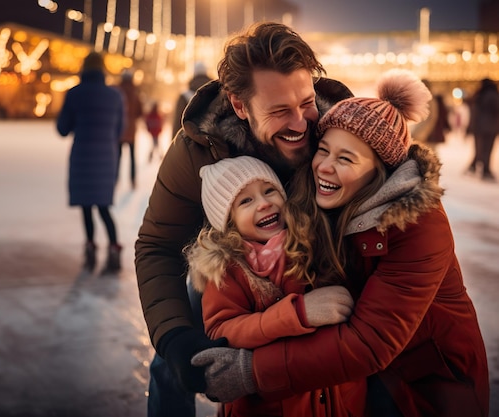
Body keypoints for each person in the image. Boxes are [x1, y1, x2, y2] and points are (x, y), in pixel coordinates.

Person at [194, 69, 489, 417]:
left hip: (424, 390)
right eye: (323, 150)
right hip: (359, 383)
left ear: (379, 170)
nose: (325, 167)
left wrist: (252, 371)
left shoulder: (419, 225)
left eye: (346, 158)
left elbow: (368, 343)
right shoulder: (318, 204)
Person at [135, 22, 354, 417]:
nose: (302, 123)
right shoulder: (196, 152)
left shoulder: (340, 133)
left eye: (306, 102)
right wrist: (175, 337)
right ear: (240, 105)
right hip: (233, 267)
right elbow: (158, 245)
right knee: (172, 356)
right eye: (279, 111)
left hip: (313, 263)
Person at [186, 155, 365, 417]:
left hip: (333, 400)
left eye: (269, 190)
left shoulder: (310, 240)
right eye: (246, 201)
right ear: (229, 223)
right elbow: (221, 330)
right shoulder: (227, 269)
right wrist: (297, 313)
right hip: (269, 405)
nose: (264, 203)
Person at [56, 51, 124, 273]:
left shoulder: (75, 94)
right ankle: (114, 248)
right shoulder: (115, 96)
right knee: (104, 207)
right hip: (106, 157)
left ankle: (90, 248)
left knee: (86, 207)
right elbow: (120, 129)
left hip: (83, 156)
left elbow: (63, 128)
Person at [465, 77, 499, 182]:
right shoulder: (493, 95)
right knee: (487, 150)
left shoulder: (479, 94)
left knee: (479, 148)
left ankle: (474, 166)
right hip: (490, 128)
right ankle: (485, 170)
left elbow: (473, 110)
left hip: (479, 127)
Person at [117, 70, 144, 189]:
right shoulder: (135, 93)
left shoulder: (118, 91)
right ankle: (133, 180)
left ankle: (115, 179)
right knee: (132, 157)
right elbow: (140, 112)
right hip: (132, 130)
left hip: (119, 129)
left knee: (117, 157)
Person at [172, 61, 213, 138]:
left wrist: (173, 143)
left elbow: (177, 124)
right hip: (213, 145)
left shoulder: (184, 96)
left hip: (188, 144)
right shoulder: (216, 93)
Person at [410, 80, 449, 150]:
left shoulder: (429, 100)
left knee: (429, 156)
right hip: (426, 135)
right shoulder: (426, 99)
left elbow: (431, 118)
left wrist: (422, 134)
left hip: (429, 136)